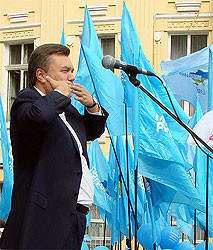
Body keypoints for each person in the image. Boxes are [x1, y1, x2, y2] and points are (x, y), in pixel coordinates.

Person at [0, 43, 108, 249]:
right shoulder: (27, 100)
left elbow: (92, 132)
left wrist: (92, 105)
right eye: (65, 71)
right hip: (45, 215)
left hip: (74, 213)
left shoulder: (66, 109)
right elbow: (37, 118)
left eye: (72, 71)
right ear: (41, 75)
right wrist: (58, 95)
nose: (72, 77)